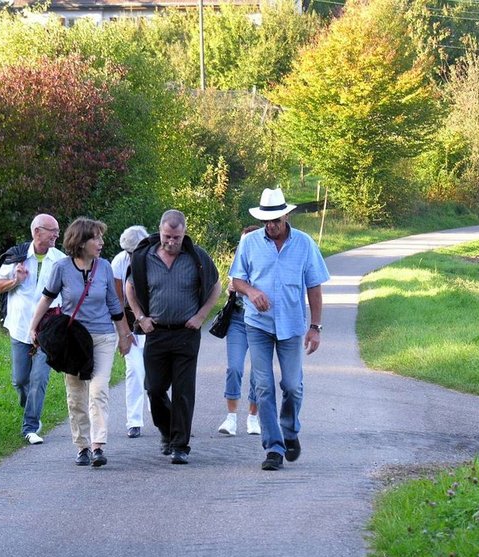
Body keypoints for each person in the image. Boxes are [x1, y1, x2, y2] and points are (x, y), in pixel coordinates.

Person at [230, 188, 330, 471]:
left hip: (291, 324)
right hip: (258, 325)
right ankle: (273, 447)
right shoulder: (250, 243)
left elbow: (314, 286)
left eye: (276, 220)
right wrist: (252, 292)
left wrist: (315, 327)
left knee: (292, 386)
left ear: (286, 216)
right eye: (266, 221)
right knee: (263, 386)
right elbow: (236, 279)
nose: (271, 225)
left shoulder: (304, 243)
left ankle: (289, 430)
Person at [29, 217, 132, 468]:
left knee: (98, 390)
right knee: (76, 395)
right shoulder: (62, 268)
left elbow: (113, 303)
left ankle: (98, 446)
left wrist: (124, 335)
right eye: (96, 238)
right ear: (81, 241)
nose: (101, 242)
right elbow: (47, 298)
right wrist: (33, 327)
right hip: (73, 339)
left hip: (102, 336)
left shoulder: (104, 267)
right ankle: (82, 446)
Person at [125, 209, 221, 465]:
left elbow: (216, 285)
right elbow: (129, 287)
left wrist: (201, 316)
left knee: (183, 391)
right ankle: (168, 432)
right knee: (154, 388)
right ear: (160, 231)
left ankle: (180, 445)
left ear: (184, 233)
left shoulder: (196, 256)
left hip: (186, 333)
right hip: (156, 332)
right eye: (167, 236)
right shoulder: (145, 257)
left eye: (176, 237)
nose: (171, 242)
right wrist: (140, 317)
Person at [0, 214, 66, 445]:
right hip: (20, 326)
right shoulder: (16, 256)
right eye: (53, 231)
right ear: (37, 231)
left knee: (39, 378)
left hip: (48, 328)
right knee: (20, 380)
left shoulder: (60, 260)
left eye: (57, 231)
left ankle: (31, 426)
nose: (57, 235)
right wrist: (16, 280)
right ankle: (30, 408)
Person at [218, 225, 260, 436]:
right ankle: (231, 418)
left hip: (261, 322)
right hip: (237, 320)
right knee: (234, 368)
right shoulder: (238, 262)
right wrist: (231, 289)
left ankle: (253, 417)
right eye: (242, 241)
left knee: (258, 371)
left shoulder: (266, 261)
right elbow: (231, 288)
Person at [111, 225, 150, 439]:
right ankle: (134, 421)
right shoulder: (119, 262)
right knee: (134, 370)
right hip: (129, 322)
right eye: (129, 252)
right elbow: (117, 299)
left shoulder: (155, 258)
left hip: (154, 323)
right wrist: (124, 333)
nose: (132, 256)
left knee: (154, 371)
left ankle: (159, 410)